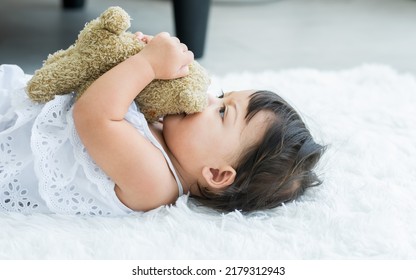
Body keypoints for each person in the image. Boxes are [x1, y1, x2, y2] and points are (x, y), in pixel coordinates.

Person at [0, 32, 325, 216]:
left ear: (216, 174)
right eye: (223, 95)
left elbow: (93, 116)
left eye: (223, 112)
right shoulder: (169, 136)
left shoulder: (155, 183)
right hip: (19, 104)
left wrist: (146, 65)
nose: (209, 99)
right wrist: (134, 58)